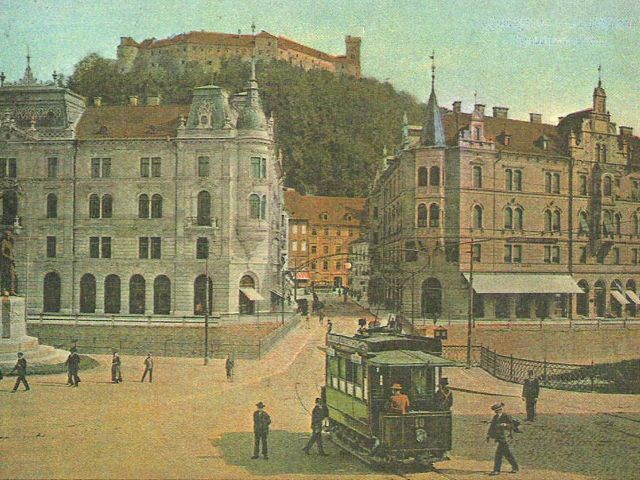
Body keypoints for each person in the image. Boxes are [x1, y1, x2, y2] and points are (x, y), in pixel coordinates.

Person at [486, 402, 519, 475]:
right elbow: (492, 426)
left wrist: (506, 425)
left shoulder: (506, 416)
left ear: (501, 409)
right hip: (500, 438)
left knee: (499, 454)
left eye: (498, 410)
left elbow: (513, 425)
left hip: (505, 438)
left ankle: (497, 470)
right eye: (496, 411)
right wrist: (489, 435)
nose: (497, 412)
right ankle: (515, 467)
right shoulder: (495, 417)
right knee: (507, 454)